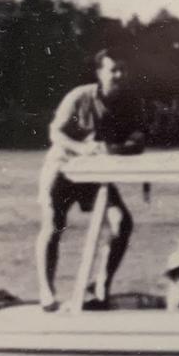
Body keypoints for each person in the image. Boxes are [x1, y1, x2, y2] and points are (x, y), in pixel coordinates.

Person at [35, 47, 145, 311]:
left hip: (96, 174)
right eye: (112, 70)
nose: (118, 75)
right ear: (100, 73)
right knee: (54, 225)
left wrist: (119, 148)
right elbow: (55, 134)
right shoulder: (79, 97)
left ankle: (100, 287)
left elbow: (138, 140)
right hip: (64, 168)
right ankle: (46, 292)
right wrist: (82, 148)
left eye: (122, 70)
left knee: (122, 222)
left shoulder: (130, 102)